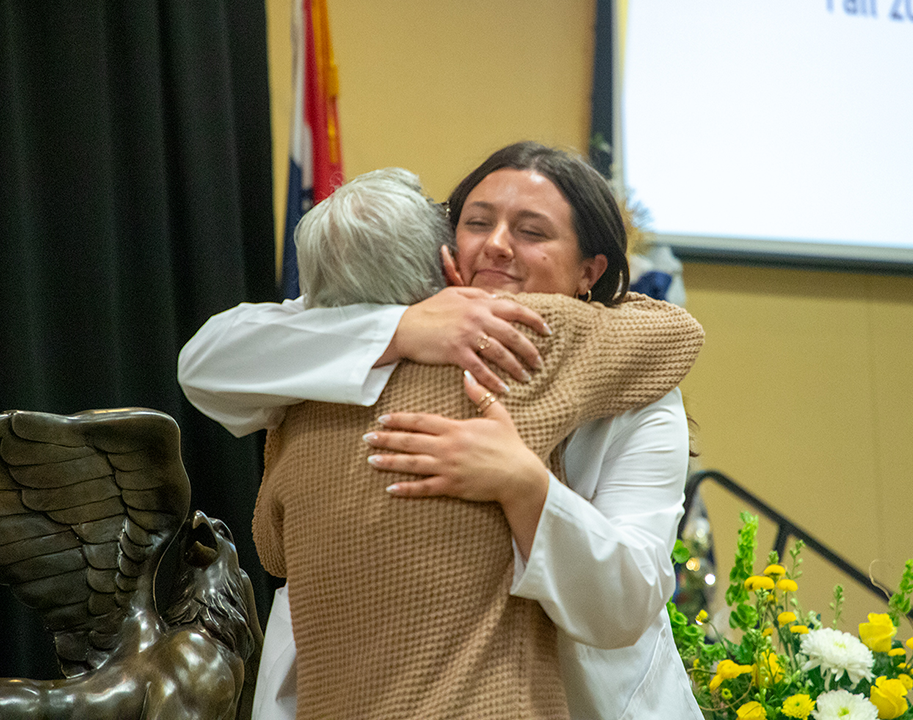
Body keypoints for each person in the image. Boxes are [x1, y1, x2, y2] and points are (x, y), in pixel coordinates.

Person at [179, 141, 706, 720]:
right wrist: (403, 329)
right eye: (477, 223)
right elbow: (207, 363)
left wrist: (527, 487)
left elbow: (627, 600)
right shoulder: (375, 313)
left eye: (532, 232)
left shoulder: (630, 379)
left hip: (569, 697)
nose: (497, 244)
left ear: (590, 270)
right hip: (349, 682)